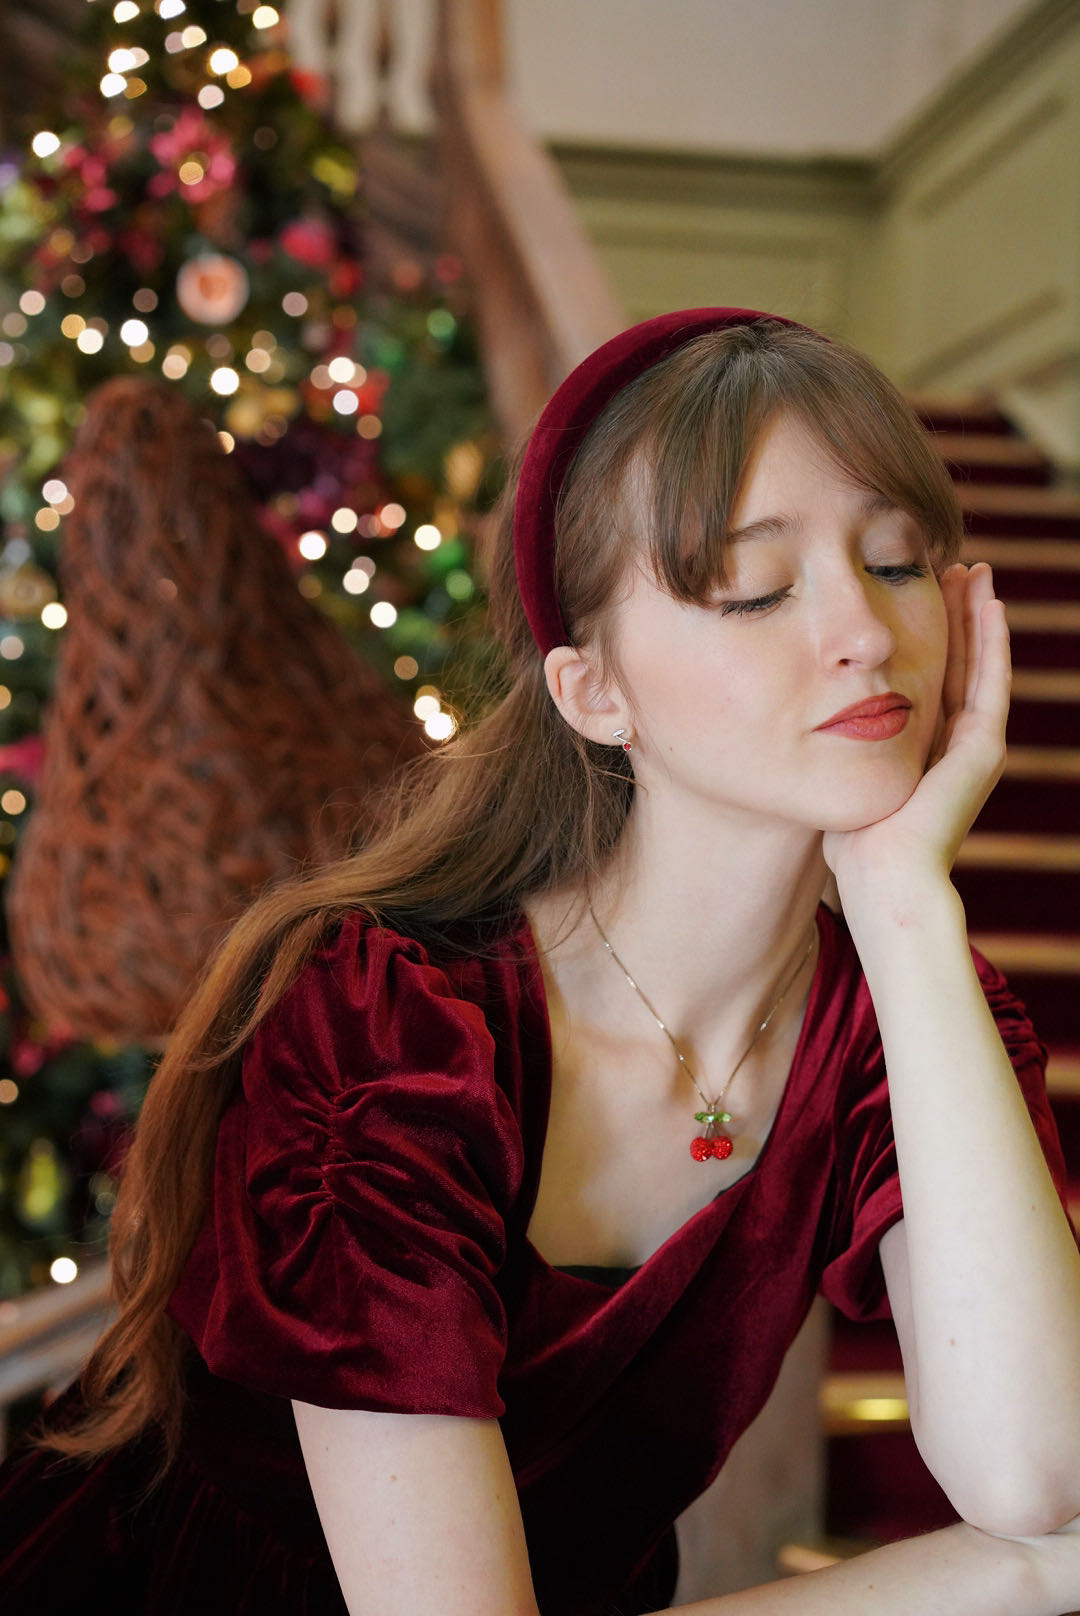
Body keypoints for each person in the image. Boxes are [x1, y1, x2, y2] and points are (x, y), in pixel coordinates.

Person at [3, 307, 1080, 1616]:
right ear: (593, 693)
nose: (863, 631)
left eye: (900, 563)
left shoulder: (898, 1013)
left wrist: (906, 900)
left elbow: (1035, 1476)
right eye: (755, 587)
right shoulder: (388, 1020)